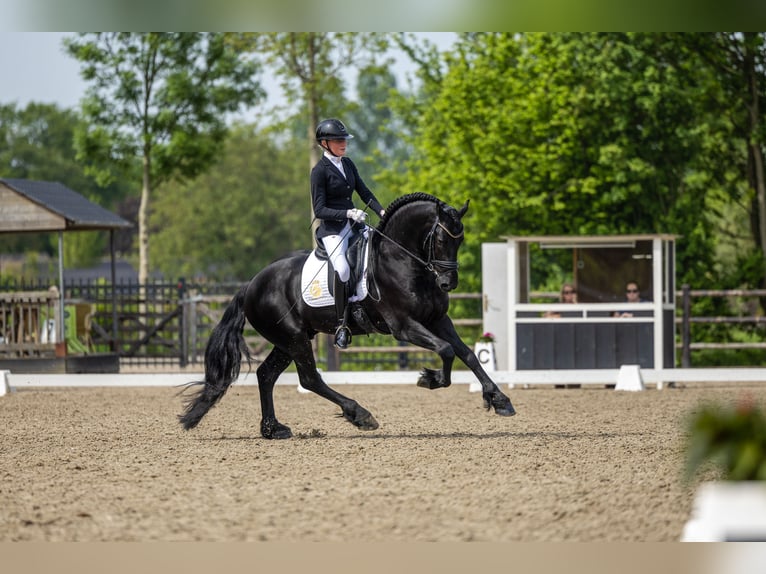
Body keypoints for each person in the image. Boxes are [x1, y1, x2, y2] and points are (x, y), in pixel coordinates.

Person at [311, 118, 386, 349]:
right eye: (337, 140)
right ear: (324, 143)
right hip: (332, 230)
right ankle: (342, 325)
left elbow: (364, 191)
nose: (343, 143)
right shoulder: (319, 172)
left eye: (344, 139)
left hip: (354, 226)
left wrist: (383, 211)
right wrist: (347, 213)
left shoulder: (349, 164)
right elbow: (320, 209)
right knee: (343, 268)